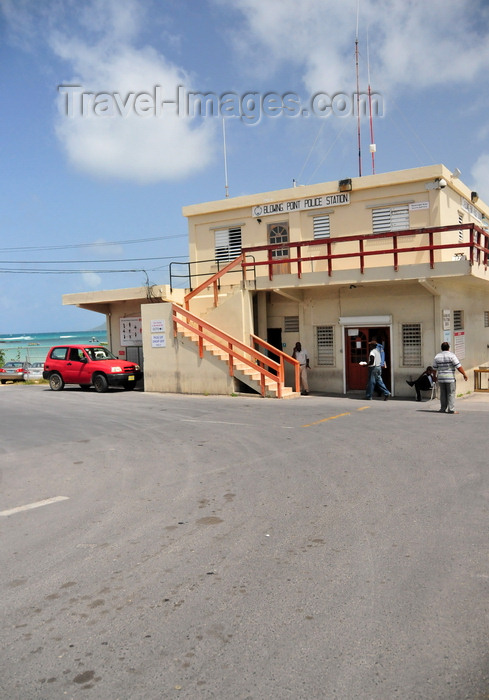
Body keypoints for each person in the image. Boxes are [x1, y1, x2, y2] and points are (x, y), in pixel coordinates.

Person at [432, 342, 468, 413]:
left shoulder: (437, 356)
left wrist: (434, 377)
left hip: (441, 378)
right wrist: (464, 374)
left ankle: (442, 408)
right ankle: (451, 409)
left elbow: (434, 369)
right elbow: (458, 366)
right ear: (449, 348)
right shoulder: (452, 356)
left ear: (441, 348)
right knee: (451, 393)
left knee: (443, 393)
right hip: (450, 378)